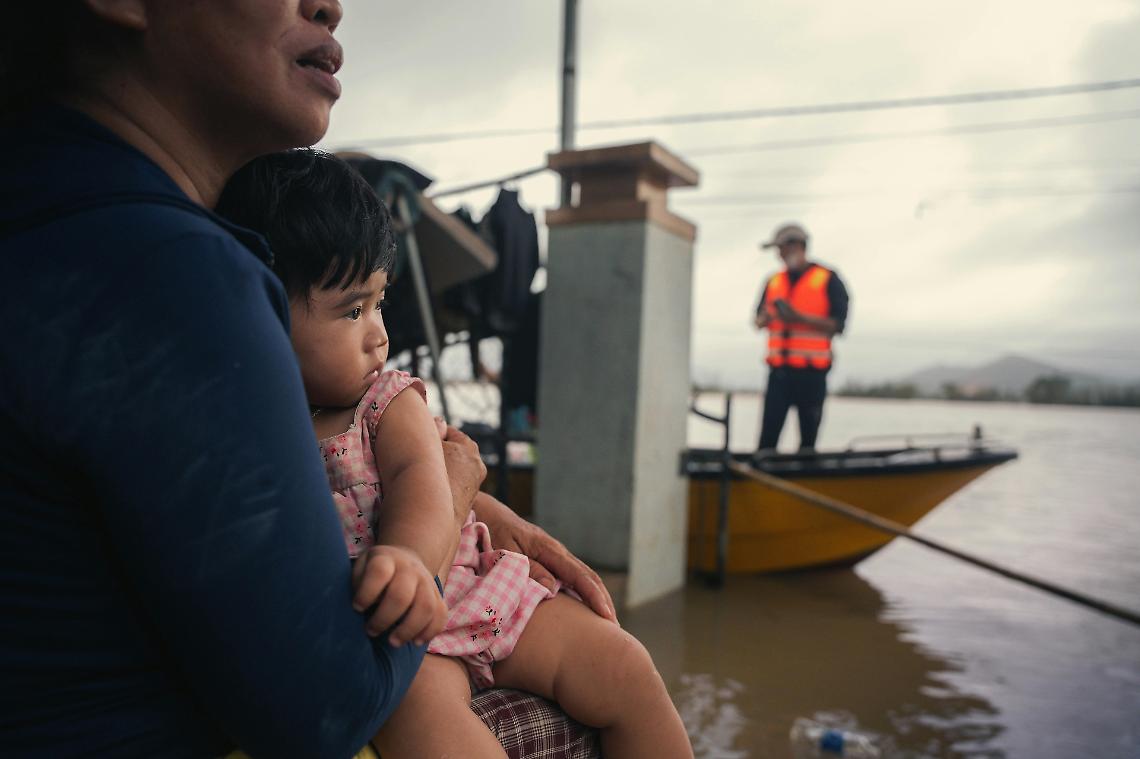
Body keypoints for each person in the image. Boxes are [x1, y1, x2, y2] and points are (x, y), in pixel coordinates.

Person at [0, 2, 612, 756]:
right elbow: (328, 707)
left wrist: (450, 486)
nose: (329, 4)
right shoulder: (167, 268)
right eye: (349, 306)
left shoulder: (48, 205)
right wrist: (448, 497)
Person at [215, 149, 693, 759]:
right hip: (400, 642)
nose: (379, 332)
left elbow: (422, 475)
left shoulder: (387, 402)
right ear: (265, 314)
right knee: (435, 736)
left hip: (474, 586)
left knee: (623, 664)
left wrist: (413, 559)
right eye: (352, 309)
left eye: (380, 302)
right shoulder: (254, 428)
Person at [752, 222, 850, 452]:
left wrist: (799, 318)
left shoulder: (828, 279)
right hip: (779, 374)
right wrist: (765, 319)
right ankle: (760, 480)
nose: (779, 255)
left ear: (798, 246)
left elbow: (839, 324)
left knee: (807, 444)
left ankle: (804, 478)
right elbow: (757, 320)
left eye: (782, 248)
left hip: (812, 374)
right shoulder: (773, 281)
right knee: (766, 443)